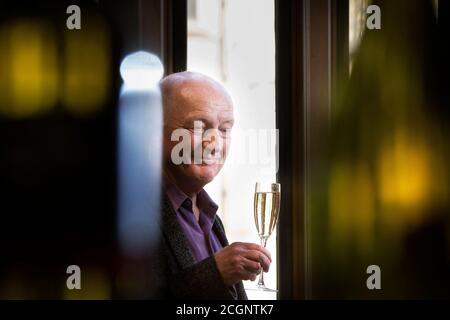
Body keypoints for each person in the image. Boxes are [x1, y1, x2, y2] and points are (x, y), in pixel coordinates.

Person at [157, 71, 272, 299]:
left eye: (224, 129)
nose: (214, 143)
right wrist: (215, 272)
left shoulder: (209, 214)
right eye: (198, 127)